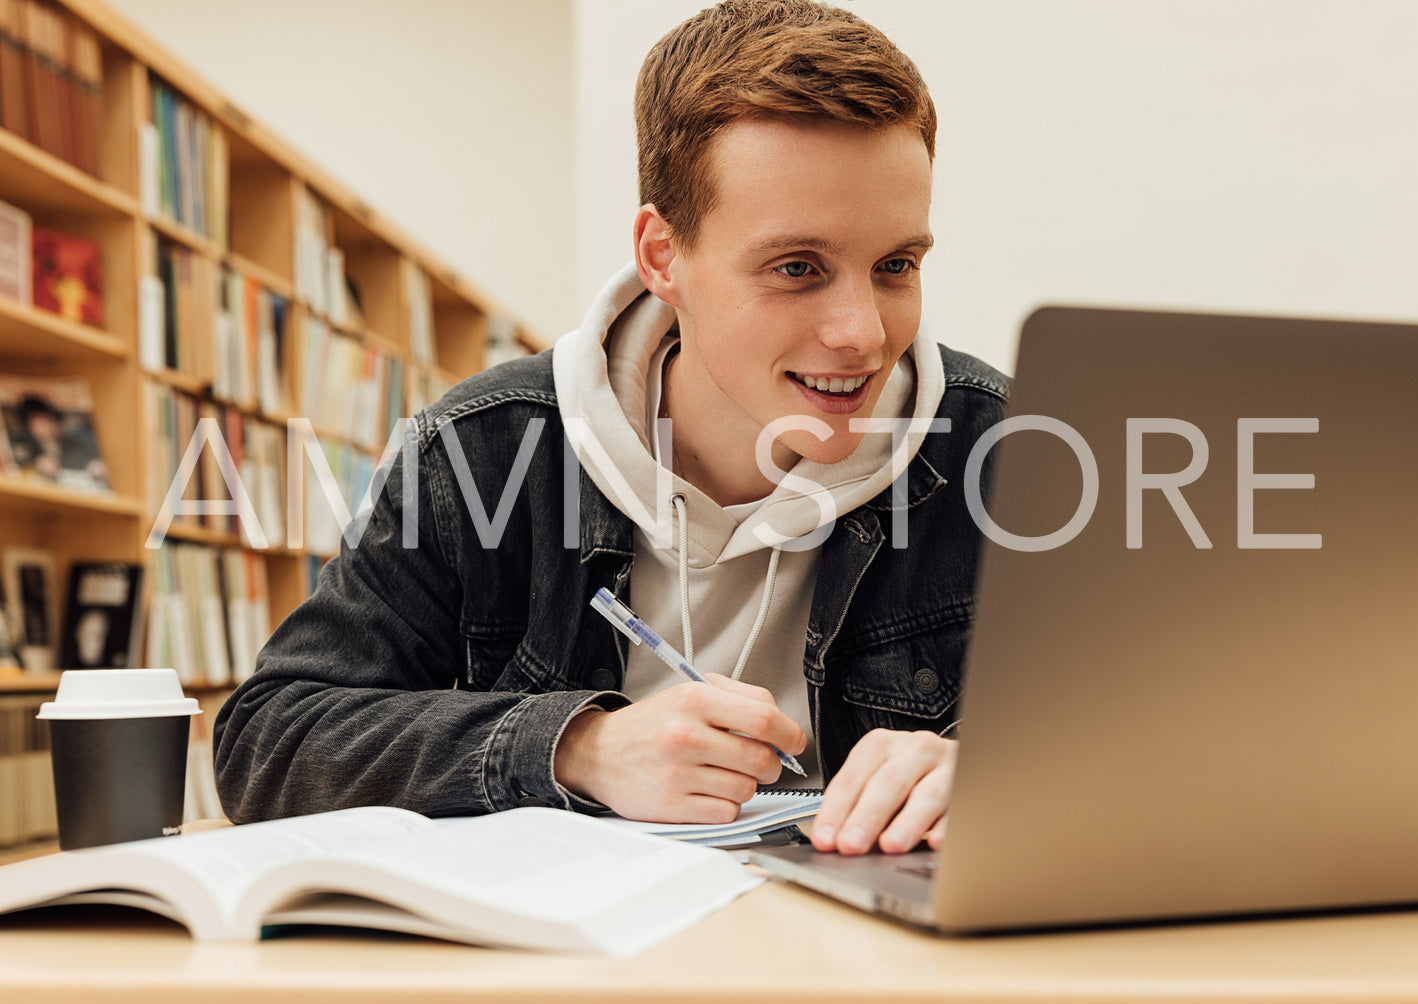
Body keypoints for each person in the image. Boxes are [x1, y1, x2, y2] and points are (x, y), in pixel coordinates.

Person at [214, 0, 1009, 857]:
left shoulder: (1011, 451)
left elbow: (1157, 736)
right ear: (663, 257)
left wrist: (998, 773)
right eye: (796, 268)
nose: (860, 332)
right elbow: (269, 740)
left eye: (895, 266)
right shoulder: (480, 454)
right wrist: (576, 747)